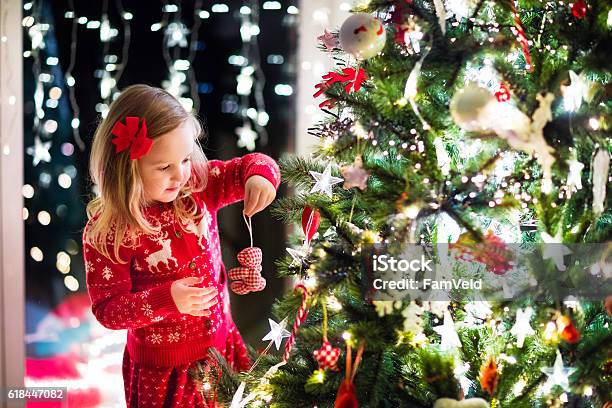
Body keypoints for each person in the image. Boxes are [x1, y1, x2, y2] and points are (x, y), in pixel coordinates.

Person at [82, 84, 280, 407]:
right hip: (163, 375)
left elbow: (250, 165)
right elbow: (108, 310)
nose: (180, 175)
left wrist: (259, 176)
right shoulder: (110, 231)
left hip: (221, 348)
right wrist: (167, 299)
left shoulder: (198, 186)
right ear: (127, 168)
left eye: (186, 159)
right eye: (164, 167)